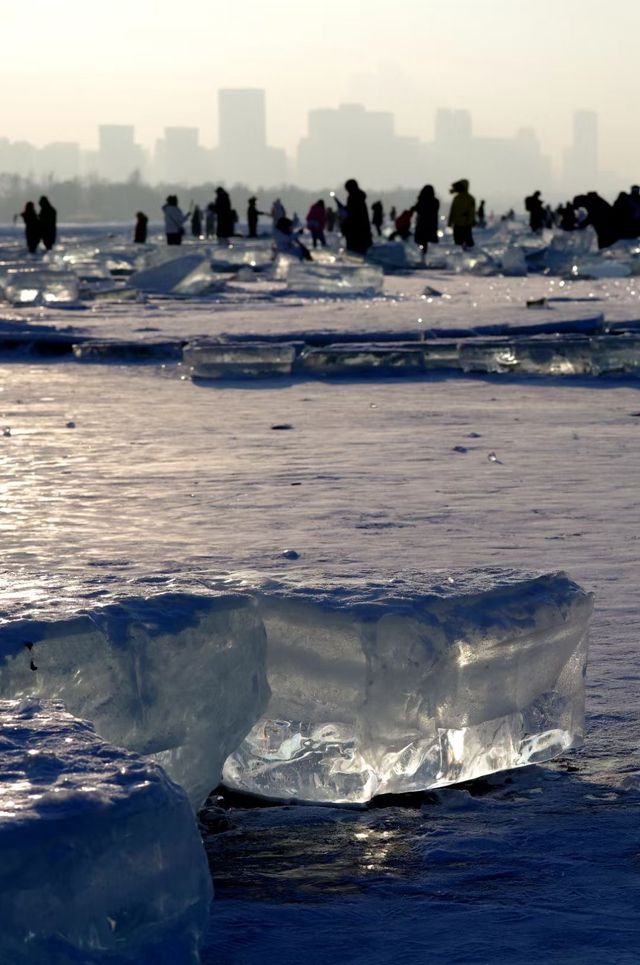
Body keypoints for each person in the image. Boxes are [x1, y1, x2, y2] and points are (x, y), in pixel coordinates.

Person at [336, 178, 372, 254]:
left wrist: (343, 210)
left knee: (356, 253)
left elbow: (351, 214)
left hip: (355, 231)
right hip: (361, 231)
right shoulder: (359, 197)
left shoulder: (353, 198)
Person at [448, 179, 476, 249]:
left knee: (462, 242)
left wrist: (450, 222)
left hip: (462, 224)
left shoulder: (458, 198)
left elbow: (471, 212)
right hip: (463, 224)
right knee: (462, 242)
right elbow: (452, 211)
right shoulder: (469, 198)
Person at [414, 185, 440, 259]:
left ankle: (422, 256)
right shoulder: (435, 201)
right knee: (425, 241)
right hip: (431, 224)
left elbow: (417, 209)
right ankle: (425, 256)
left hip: (422, 224)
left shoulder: (422, 200)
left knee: (421, 240)